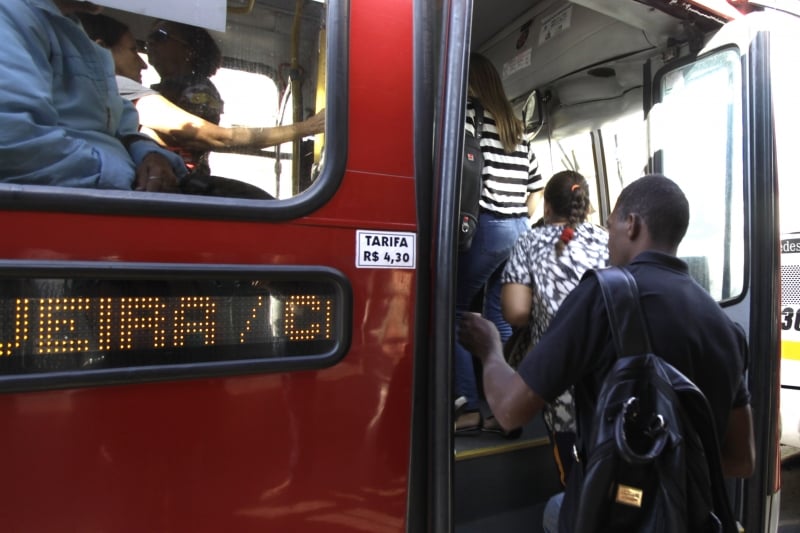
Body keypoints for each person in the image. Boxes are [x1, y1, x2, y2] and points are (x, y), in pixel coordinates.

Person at [458, 175, 756, 531]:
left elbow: (508, 411)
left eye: (611, 222)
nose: (607, 234)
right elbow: (742, 459)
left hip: (615, 517)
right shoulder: (724, 326)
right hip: (688, 517)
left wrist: (490, 348)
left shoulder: (601, 296)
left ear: (632, 225)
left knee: (556, 509)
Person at [78, 13, 324, 195]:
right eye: (135, 48)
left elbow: (209, 136)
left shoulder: (199, 91)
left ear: (189, 50)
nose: (146, 50)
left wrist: (308, 127)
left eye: (159, 36)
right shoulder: (123, 88)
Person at [0, 0, 186, 193]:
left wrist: (148, 155)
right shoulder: (11, 15)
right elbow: (11, 140)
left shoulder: (66, 27)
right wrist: (128, 176)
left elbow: (118, 125)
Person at [492, 171, 607, 475]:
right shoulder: (606, 239)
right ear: (587, 206)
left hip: (561, 391)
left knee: (575, 479)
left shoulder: (530, 241)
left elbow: (515, 312)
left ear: (546, 208)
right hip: (610, 386)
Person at [454, 52, 544, 433]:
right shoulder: (515, 126)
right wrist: (521, 226)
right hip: (519, 229)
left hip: (487, 227)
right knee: (499, 316)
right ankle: (505, 408)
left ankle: (467, 406)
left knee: (454, 314)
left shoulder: (471, 117)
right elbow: (536, 189)